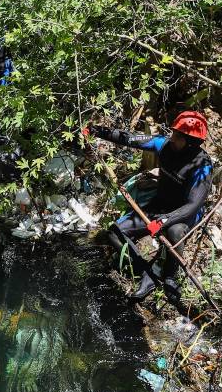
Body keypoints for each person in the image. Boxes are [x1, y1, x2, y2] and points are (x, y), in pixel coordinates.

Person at [85, 111, 213, 304]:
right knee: (115, 232)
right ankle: (145, 270)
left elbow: (193, 205)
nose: (172, 137)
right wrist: (96, 130)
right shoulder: (164, 145)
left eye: (178, 135)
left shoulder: (202, 166)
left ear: (191, 142)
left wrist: (163, 221)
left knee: (175, 231)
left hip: (183, 215)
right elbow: (131, 138)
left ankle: (170, 274)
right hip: (159, 206)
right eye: (173, 132)